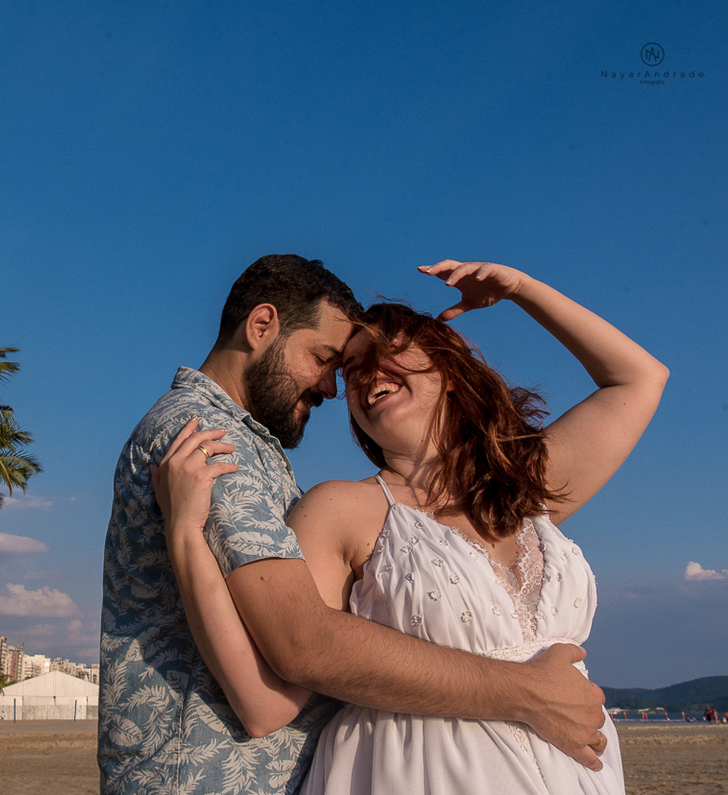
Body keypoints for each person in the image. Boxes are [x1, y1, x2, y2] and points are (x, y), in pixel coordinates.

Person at [100, 254, 613, 795]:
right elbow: (292, 661)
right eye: (326, 359)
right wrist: (525, 693)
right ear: (260, 327)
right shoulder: (207, 440)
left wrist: (522, 287)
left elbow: (637, 381)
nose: (331, 387)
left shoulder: (252, 448)